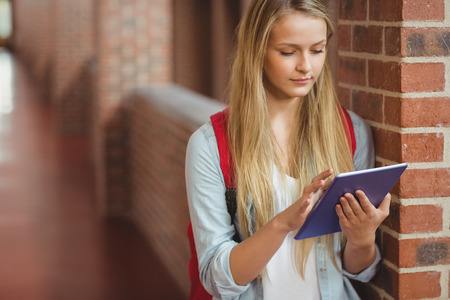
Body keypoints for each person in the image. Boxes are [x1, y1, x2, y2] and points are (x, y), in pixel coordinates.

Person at [185, 0, 390, 299]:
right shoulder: (210, 146)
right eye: (288, 52)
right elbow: (217, 280)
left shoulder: (352, 133)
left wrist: (361, 239)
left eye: (317, 50)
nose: (306, 66)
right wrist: (282, 224)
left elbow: (357, 269)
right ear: (258, 51)